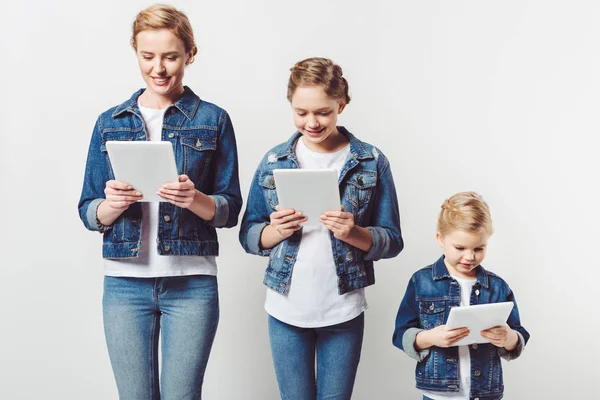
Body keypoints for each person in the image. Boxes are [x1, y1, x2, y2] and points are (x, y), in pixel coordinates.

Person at [77, 4, 242, 399]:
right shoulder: (109, 122)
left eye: (170, 56)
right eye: (147, 56)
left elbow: (231, 208)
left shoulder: (213, 119)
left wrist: (196, 199)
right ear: (135, 52)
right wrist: (111, 206)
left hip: (192, 283)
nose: (159, 68)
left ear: (190, 53)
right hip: (124, 284)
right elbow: (88, 209)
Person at [239, 57, 404, 400]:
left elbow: (392, 240)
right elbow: (250, 235)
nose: (311, 122)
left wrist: (353, 232)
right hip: (286, 309)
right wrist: (277, 230)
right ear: (291, 106)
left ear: (341, 105)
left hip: (343, 308)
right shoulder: (274, 161)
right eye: (301, 112)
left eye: (323, 112)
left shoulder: (371, 161)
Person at [393, 192, 529, 400]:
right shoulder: (421, 282)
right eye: (460, 248)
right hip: (437, 393)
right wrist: (430, 337)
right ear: (440, 239)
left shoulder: (498, 287)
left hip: (485, 392)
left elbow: (518, 334)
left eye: (479, 248)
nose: (470, 256)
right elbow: (400, 334)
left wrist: (509, 338)